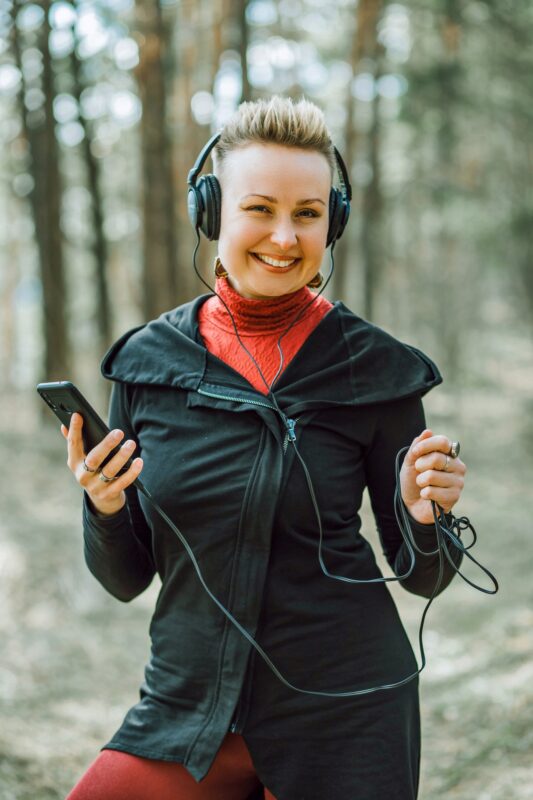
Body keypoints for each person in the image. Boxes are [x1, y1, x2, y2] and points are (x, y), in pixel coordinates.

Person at [62, 96, 467, 800]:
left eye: (307, 213)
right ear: (210, 211)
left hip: (346, 713)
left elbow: (421, 576)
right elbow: (125, 579)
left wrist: (423, 516)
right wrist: (102, 506)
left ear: (331, 223)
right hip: (188, 706)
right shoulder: (146, 363)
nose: (284, 237)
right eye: (259, 209)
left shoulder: (375, 368)